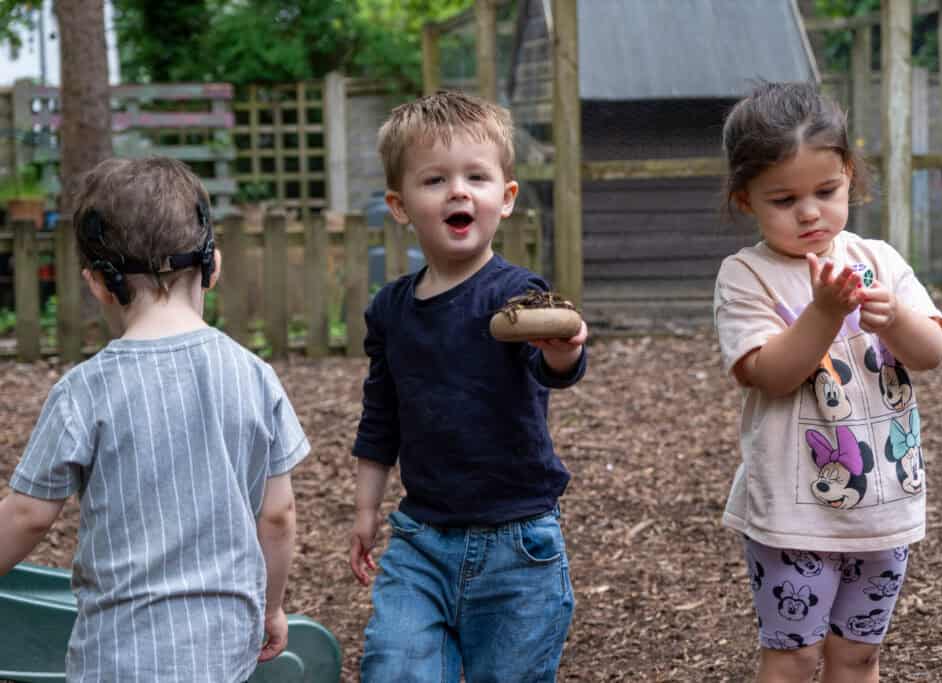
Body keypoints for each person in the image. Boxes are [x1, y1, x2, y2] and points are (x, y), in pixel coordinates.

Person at [0, 157, 309, 682]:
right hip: (221, 650)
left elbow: (28, 515)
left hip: (117, 654)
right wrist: (271, 606)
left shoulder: (84, 391)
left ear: (98, 284)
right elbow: (277, 515)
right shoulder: (255, 377)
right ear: (213, 266)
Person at [349, 90, 587, 682]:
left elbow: (551, 367)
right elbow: (380, 417)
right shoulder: (391, 310)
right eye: (435, 180)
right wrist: (366, 508)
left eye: (476, 177)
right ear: (400, 206)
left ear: (505, 198)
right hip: (421, 542)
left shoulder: (518, 296)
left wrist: (565, 351)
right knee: (395, 668)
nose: (458, 192)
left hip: (518, 545)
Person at [713, 82, 942, 683]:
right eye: (784, 199)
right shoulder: (747, 277)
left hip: (884, 507)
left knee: (859, 656)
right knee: (793, 657)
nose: (810, 212)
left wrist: (895, 319)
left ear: (849, 176)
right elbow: (769, 374)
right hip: (793, 515)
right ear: (745, 199)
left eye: (826, 191)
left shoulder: (879, 261)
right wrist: (823, 314)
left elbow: (931, 352)